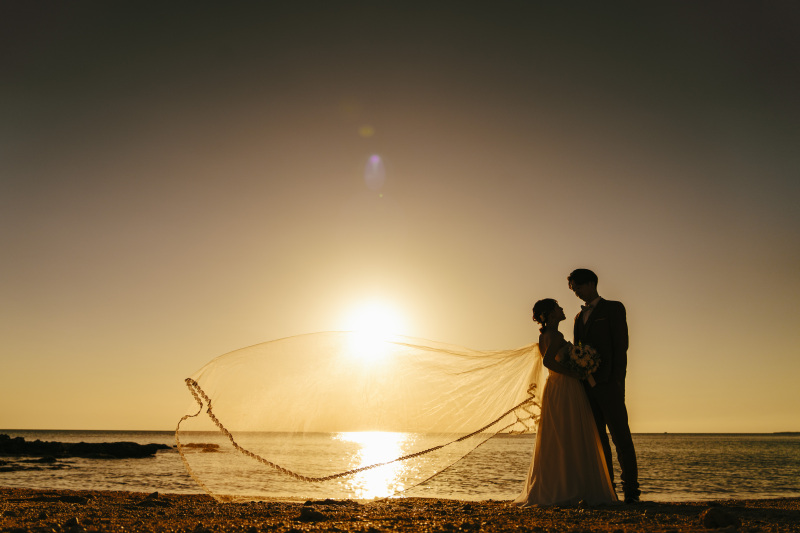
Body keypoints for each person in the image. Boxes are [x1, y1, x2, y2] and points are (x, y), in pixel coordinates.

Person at [514, 298, 618, 506]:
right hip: (564, 387)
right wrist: (574, 372)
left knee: (559, 435)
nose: (562, 310)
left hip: (555, 387)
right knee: (569, 433)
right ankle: (571, 487)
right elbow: (548, 361)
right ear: (551, 314)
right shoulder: (556, 335)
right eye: (558, 308)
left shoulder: (545, 335)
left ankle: (556, 485)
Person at [568, 268, 640, 503]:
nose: (576, 292)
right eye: (573, 289)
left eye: (577, 287)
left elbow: (621, 345)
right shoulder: (578, 318)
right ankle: (608, 490)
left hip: (610, 384)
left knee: (621, 437)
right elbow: (578, 350)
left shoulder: (614, 308)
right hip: (587, 388)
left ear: (590, 283)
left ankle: (631, 492)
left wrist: (618, 379)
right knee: (599, 440)